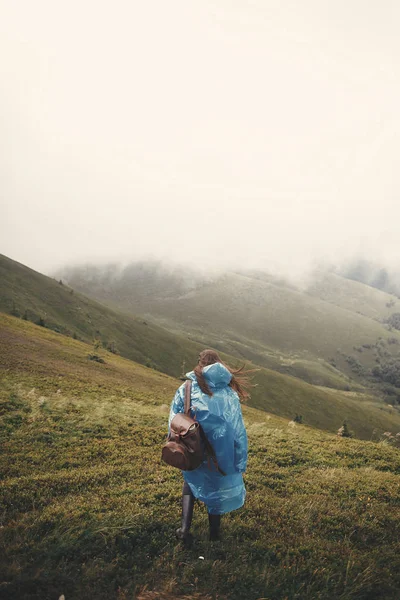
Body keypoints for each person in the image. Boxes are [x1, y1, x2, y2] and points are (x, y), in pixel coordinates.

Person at [168, 349, 250, 544]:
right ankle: (214, 535)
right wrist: (240, 458)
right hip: (220, 452)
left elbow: (174, 417)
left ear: (201, 363)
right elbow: (238, 429)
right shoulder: (229, 393)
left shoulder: (187, 387)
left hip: (192, 446)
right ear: (220, 364)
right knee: (216, 489)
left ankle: (185, 529)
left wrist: (173, 442)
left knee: (189, 483)